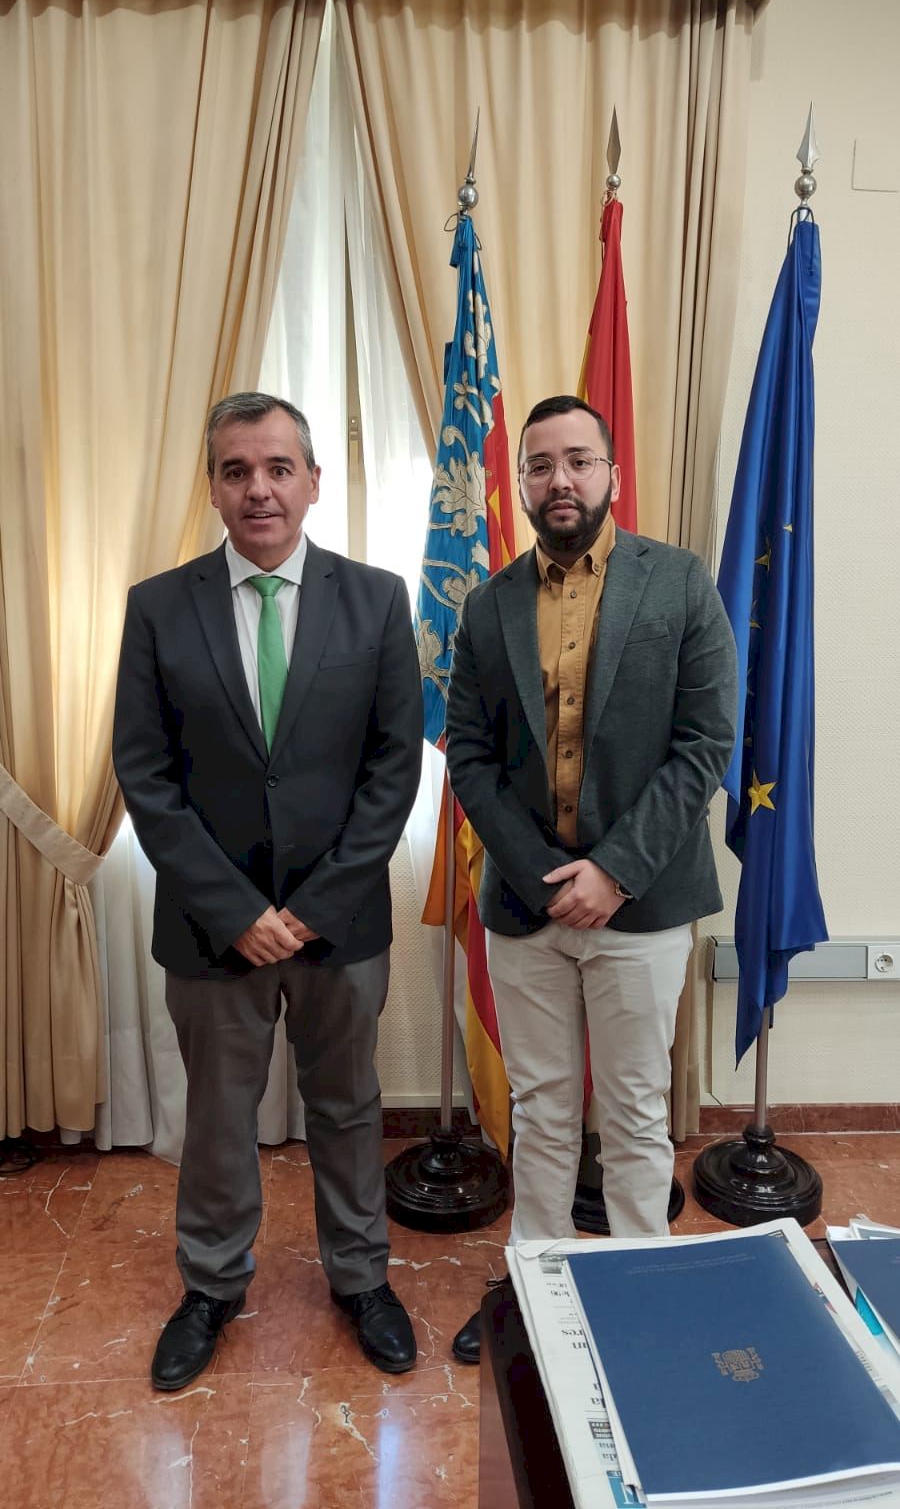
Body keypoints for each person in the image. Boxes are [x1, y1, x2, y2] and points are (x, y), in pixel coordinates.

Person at [113, 392, 423, 1390]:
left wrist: (315, 906)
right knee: (217, 1115)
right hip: (213, 931)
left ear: (313, 482)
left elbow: (393, 769)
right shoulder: (158, 606)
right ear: (212, 486)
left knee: (348, 1105)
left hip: (342, 923)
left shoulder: (377, 599)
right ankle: (211, 1286)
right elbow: (145, 774)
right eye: (237, 470)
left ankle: (361, 1278)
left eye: (279, 467)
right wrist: (236, 911)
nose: (259, 488)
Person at [445, 394, 737, 1363]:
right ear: (521, 482)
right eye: (540, 465)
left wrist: (612, 872)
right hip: (525, 911)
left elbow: (705, 745)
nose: (559, 479)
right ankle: (536, 1294)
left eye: (578, 460)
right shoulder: (486, 606)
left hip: (642, 906)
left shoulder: (680, 583)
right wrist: (543, 878)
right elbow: (469, 754)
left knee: (636, 1113)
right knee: (539, 1112)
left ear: (612, 472)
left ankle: (642, 1304)